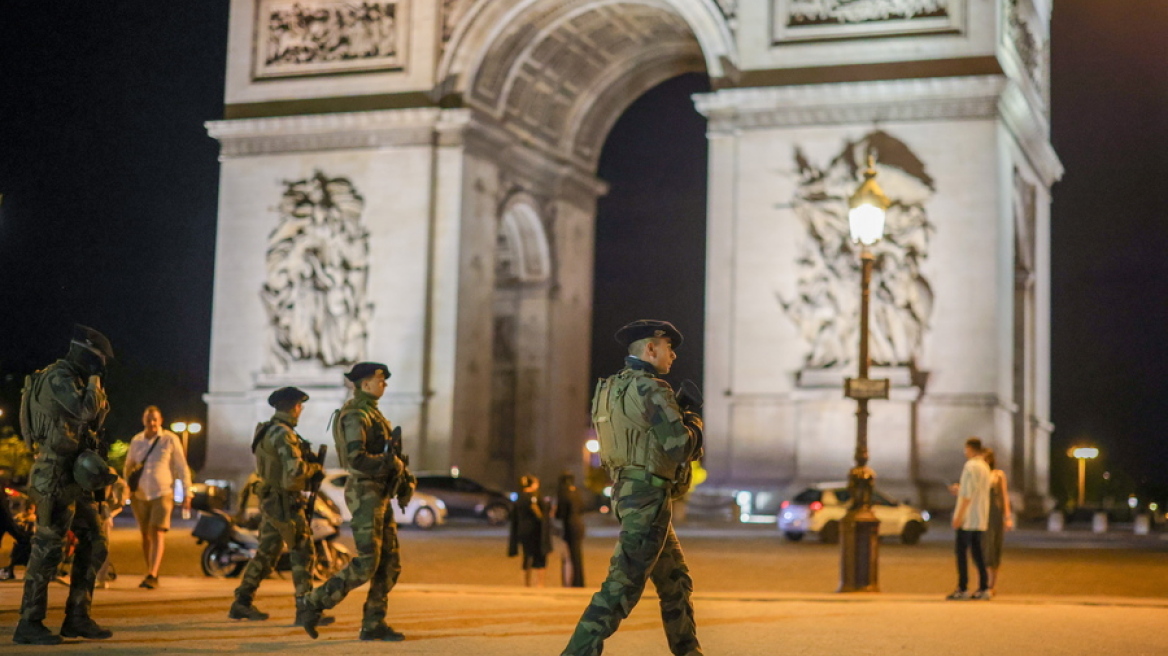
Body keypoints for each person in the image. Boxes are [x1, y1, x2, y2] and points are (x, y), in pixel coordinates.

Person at [563, 320, 704, 656]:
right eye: (669, 347)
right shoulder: (652, 388)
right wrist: (693, 418)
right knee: (621, 586)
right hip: (649, 498)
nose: (673, 355)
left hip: (630, 493)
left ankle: (689, 652)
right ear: (650, 348)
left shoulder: (609, 388)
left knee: (675, 582)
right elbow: (680, 447)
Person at [14, 325, 119, 645]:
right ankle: (29, 622)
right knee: (48, 548)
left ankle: (77, 616)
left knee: (96, 539)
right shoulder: (57, 378)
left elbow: (97, 419)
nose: (101, 365)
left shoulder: (74, 380)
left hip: (73, 474)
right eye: (98, 359)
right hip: (54, 473)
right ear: (84, 353)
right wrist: (94, 382)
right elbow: (84, 410)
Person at [298, 362, 416, 641]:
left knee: (389, 564)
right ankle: (313, 602)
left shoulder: (372, 413)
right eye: (380, 380)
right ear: (364, 384)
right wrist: (390, 464)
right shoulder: (356, 414)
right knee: (367, 562)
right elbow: (356, 459)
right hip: (365, 492)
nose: (384, 384)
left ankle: (374, 624)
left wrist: (402, 476)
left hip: (379, 492)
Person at [229, 386, 329, 625]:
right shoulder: (284, 434)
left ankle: (242, 602)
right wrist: (315, 468)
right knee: (303, 552)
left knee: (267, 553)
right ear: (294, 407)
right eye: (299, 406)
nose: (301, 410)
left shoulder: (265, 430)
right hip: (285, 501)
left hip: (271, 500)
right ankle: (305, 609)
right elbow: (295, 471)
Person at [123, 406, 192, 589]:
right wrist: (126, 487)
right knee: (145, 535)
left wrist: (187, 492)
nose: (152, 423)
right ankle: (150, 571)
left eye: (155, 419)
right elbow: (128, 465)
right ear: (143, 420)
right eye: (148, 419)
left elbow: (181, 466)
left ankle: (153, 573)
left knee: (157, 531)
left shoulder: (170, 439)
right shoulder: (136, 440)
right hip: (139, 494)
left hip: (163, 492)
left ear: (160, 420)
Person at [947, 437, 992, 601]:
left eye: (966, 449)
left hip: (967, 518)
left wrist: (958, 516)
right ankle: (984, 587)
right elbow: (976, 491)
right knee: (978, 554)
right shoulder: (985, 467)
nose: (964, 452)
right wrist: (960, 490)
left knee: (961, 553)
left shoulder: (970, 466)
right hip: (980, 516)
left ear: (971, 449)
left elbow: (967, 495)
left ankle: (963, 588)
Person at [508, 475, 552, 587]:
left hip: (523, 531)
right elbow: (542, 515)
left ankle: (526, 583)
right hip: (536, 531)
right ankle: (540, 583)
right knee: (540, 558)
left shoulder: (520, 498)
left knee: (527, 556)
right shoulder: (535, 497)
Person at [981, 448, 1014, 595]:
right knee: (981, 549)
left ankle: (991, 585)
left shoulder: (998, 475)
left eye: (985, 458)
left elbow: (1004, 496)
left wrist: (1007, 517)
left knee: (993, 548)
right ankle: (982, 584)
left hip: (994, 515)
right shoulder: (977, 474)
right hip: (980, 514)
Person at [95, 475, 129, 588]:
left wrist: (110, 513)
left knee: (101, 543)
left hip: (101, 510)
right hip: (98, 509)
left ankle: (100, 577)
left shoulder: (105, 471)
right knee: (100, 543)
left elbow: (119, 487)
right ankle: (98, 577)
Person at [555, 472, 586, 588]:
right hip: (579, 524)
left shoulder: (563, 492)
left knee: (571, 555)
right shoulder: (577, 491)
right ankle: (579, 581)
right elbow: (583, 507)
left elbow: (560, 513)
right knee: (577, 555)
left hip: (569, 525)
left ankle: (572, 582)